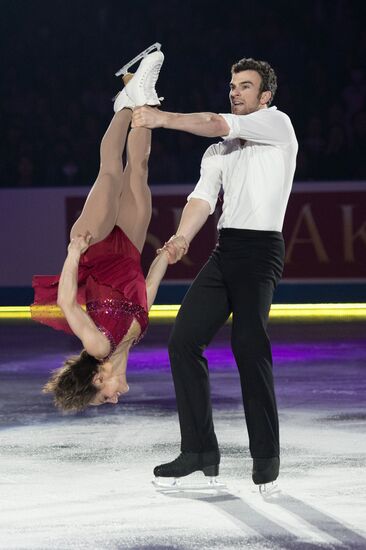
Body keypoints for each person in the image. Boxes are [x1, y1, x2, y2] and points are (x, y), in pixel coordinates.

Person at [132, 57, 298, 488]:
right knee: (183, 340)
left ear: (265, 96)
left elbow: (212, 120)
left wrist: (161, 118)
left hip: (261, 252)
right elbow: (203, 199)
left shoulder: (277, 125)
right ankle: (199, 450)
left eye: (245, 86)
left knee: (248, 344)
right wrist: (182, 238)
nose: (236, 91)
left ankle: (266, 455)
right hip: (226, 251)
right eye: (232, 85)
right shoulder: (218, 150)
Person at [31, 48, 186, 412]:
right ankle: (140, 98)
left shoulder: (99, 346)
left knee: (111, 172)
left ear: (98, 378)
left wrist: (73, 253)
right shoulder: (131, 339)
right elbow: (146, 292)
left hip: (95, 249)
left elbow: (67, 301)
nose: (114, 397)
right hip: (130, 249)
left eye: (104, 396)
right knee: (140, 169)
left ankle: (124, 105)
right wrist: (164, 257)